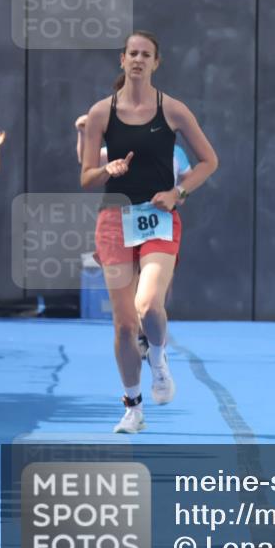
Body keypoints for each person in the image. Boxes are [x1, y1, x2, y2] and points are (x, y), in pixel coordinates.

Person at [80, 30, 218, 434]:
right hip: (114, 220)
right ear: (121, 60)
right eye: (132, 54)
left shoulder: (172, 110)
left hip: (158, 218)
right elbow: (87, 176)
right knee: (124, 325)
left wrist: (178, 193)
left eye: (146, 55)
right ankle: (133, 407)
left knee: (148, 305)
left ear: (156, 63)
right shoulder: (100, 114)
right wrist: (108, 169)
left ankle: (158, 358)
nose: (138, 60)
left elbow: (209, 160)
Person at [76, 112, 192, 359]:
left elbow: (187, 186)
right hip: (125, 221)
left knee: (156, 289)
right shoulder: (120, 148)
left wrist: (176, 196)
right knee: (133, 283)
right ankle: (140, 334)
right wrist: (83, 134)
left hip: (159, 221)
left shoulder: (177, 154)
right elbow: (87, 161)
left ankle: (152, 327)